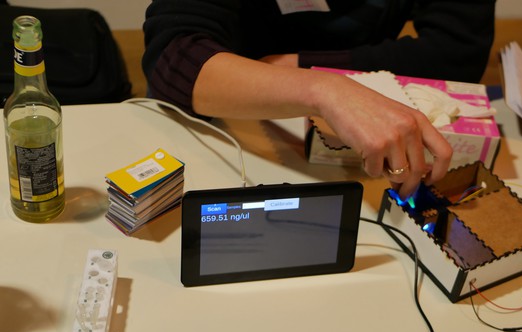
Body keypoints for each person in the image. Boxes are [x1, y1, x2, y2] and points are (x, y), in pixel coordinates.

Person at [142, 0, 496, 200]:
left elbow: (458, 53)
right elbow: (173, 60)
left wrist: (308, 67)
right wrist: (324, 90)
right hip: (228, 125)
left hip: (350, 152)